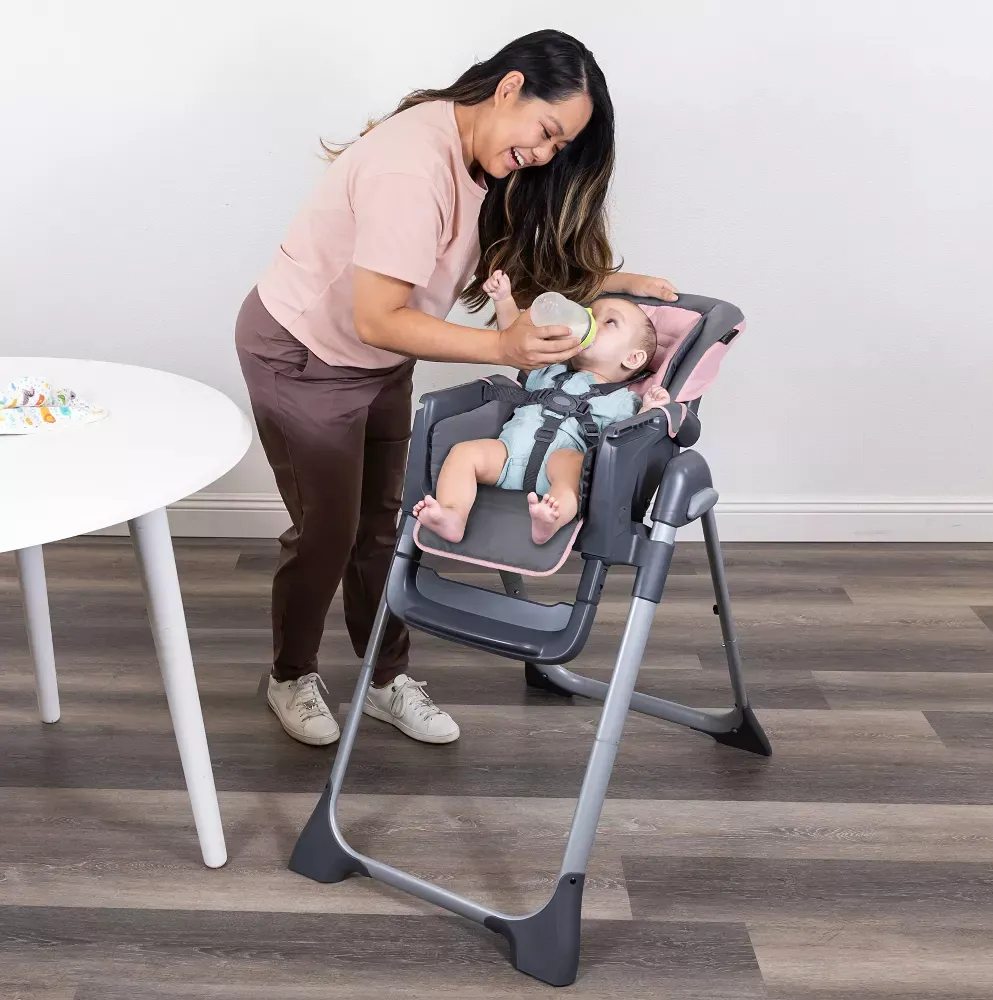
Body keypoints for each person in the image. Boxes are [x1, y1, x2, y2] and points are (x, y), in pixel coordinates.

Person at [235, 29, 678, 748]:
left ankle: (384, 679)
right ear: (509, 87)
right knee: (329, 531)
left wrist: (610, 285)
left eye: (559, 148)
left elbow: (518, 267)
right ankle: (291, 674)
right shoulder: (412, 166)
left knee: (387, 524)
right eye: (546, 131)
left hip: (376, 356)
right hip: (303, 354)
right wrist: (502, 347)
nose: (543, 154)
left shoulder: (483, 161)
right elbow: (377, 316)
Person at [414, 269, 670, 544]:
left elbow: (631, 438)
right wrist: (503, 299)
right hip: (507, 456)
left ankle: (552, 519)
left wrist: (649, 410)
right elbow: (515, 339)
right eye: (591, 314)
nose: (591, 322)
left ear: (632, 358)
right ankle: (453, 515)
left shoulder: (622, 400)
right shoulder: (549, 369)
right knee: (464, 453)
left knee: (574, 465)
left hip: (556, 470)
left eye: (609, 322)